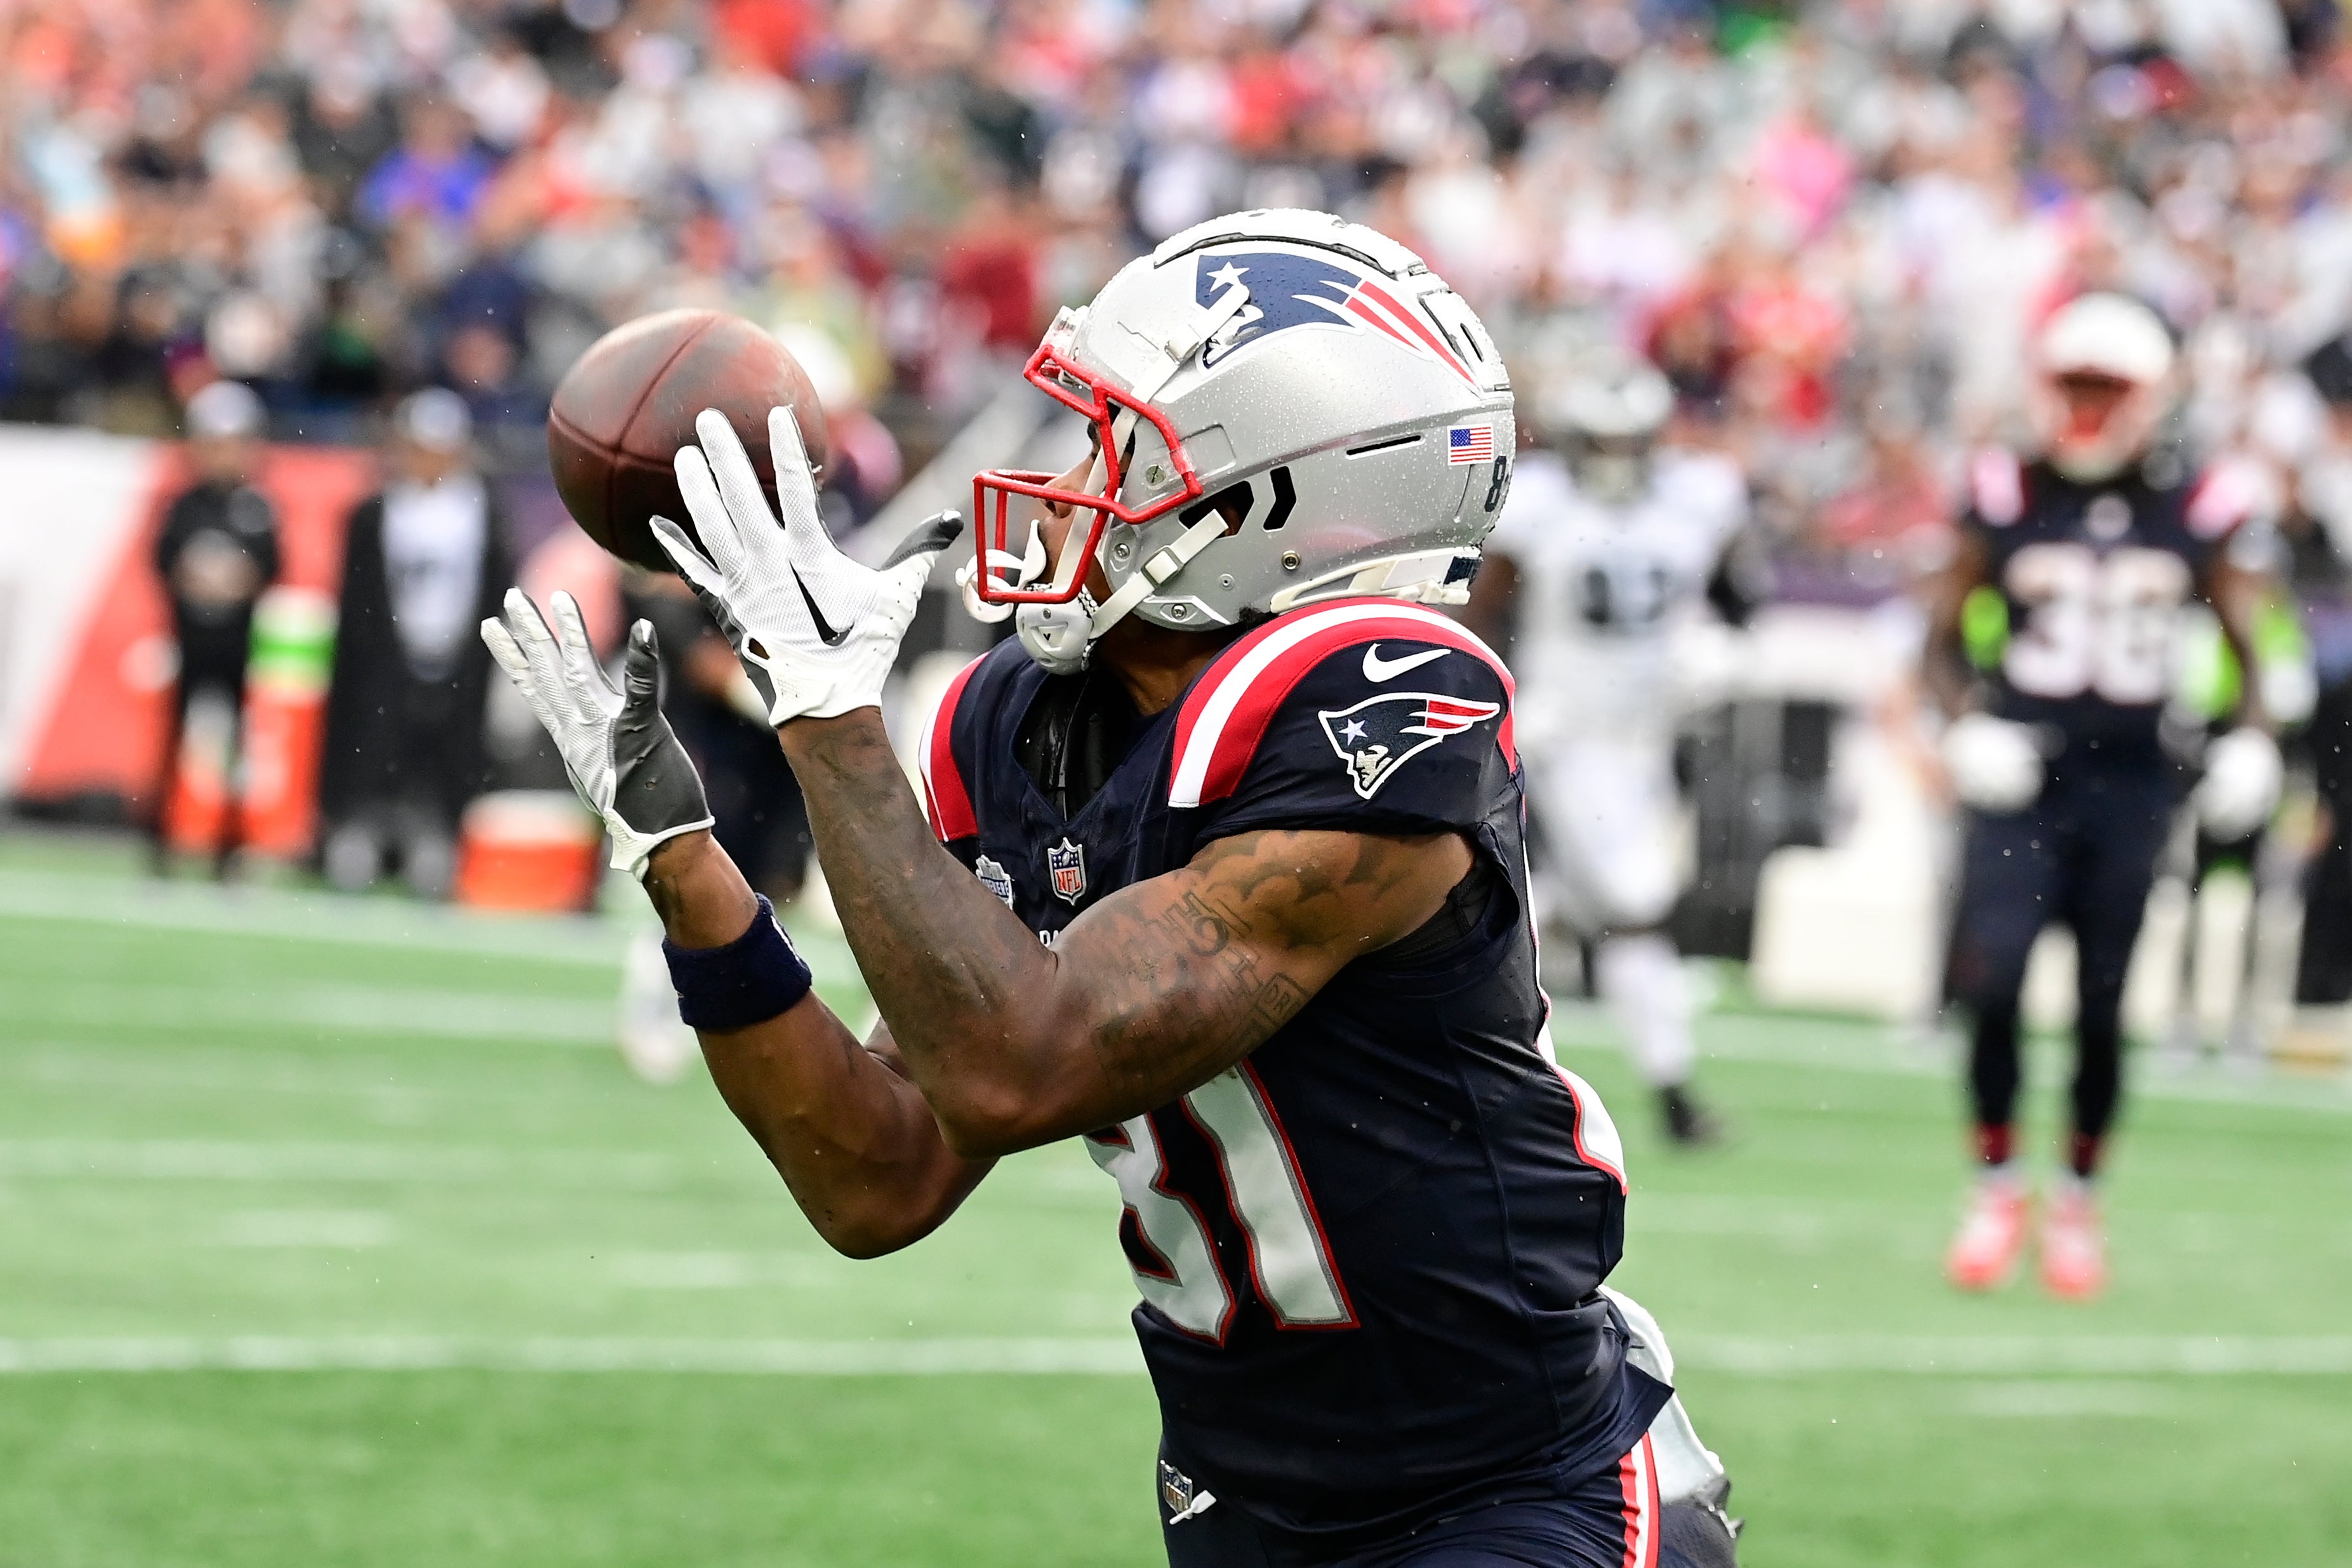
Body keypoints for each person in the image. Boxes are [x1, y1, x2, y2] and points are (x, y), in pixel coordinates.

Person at [487, 211, 1694, 1567]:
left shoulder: (1378, 702)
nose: (1073, 477)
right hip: (1242, 1502)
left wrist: (827, 717)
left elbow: (1024, 1066)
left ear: (1267, 499)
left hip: (1514, 1485)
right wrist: (684, 861)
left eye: (1123, 443)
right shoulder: (1022, 717)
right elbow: (879, 1172)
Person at [1922, 293, 2282, 1301]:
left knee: (2104, 1000)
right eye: (2071, 385)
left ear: (2149, 399)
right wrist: (1966, 724)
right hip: (2022, 771)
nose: (2082, 409)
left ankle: (2077, 1196)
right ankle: (1997, 1184)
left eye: (2103, 389)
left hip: (2134, 781)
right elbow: (1938, 639)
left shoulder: (2199, 502)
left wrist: (2250, 741)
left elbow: (2249, 640)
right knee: (1990, 981)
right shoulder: (2005, 490)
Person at [1470, 347, 1764, 1146]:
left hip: (1650, 735)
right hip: (1566, 730)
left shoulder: (1699, 500)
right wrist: (1504, 695)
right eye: (1602, 442)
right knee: (1633, 905)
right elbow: (1483, 611)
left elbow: (1744, 596)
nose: (1617, 461)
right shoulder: (1537, 507)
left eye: (1632, 442)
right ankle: (1670, 1092)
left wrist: (1723, 648)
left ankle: (1647, 1084)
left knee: (1571, 903)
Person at [319, 389, 510, 898]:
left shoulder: (481, 511)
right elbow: (358, 596)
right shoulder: (378, 511)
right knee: (375, 751)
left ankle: (435, 849)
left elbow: (494, 589)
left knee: (446, 761)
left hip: (457, 658)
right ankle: (360, 842)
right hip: (389, 657)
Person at [150, 380, 281, 878]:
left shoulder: (256, 507)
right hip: (191, 641)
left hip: (236, 644)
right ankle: (162, 840)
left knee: (235, 751)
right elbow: (162, 560)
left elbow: (271, 566)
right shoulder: (186, 505)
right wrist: (194, 579)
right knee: (174, 747)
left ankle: (229, 846)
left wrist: (238, 581)